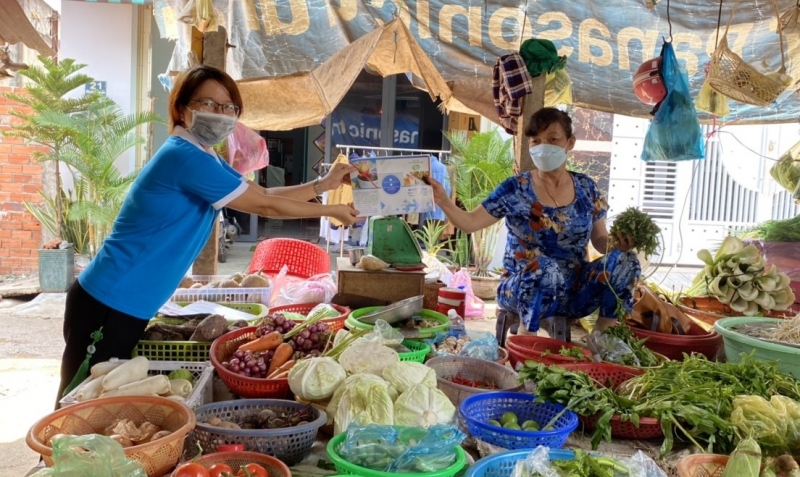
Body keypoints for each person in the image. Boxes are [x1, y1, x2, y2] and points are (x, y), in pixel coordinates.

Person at [55, 65, 360, 404]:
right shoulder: (183, 157)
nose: (221, 114)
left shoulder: (207, 157)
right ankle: (52, 457)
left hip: (130, 303)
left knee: (100, 405)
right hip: (108, 300)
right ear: (183, 109)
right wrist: (330, 210)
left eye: (229, 107)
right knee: (79, 403)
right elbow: (266, 208)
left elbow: (264, 197)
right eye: (210, 104)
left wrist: (324, 186)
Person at [427, 108, 640, 335]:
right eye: (536, 140)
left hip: (574, 292)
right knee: (544, 267)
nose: (543, 146)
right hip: (521, 287)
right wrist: (443, 201)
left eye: (552, 139)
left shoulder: (587, 189)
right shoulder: (516, 188)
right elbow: (469, 222)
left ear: (570, 143)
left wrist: (618, 245)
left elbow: (599, 239)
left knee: (626, 261)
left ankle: (602, 338)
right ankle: (527, 341)